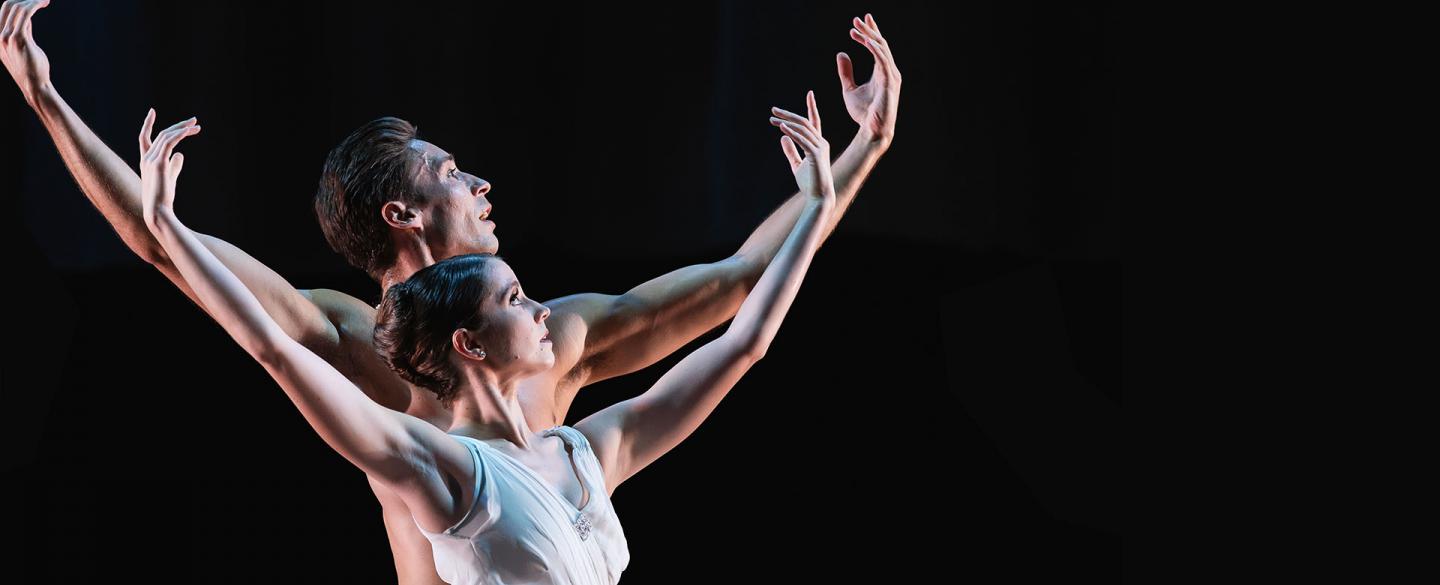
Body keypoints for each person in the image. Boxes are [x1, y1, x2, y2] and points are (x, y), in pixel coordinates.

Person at [2, 1, 902, 581]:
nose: (480, 186)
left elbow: (743, 293)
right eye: (451, 172)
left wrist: (864, 152)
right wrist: (48, 103)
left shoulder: (556, 335)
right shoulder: (353, 339)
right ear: (402, 212)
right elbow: (172, 250)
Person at [137, 88, 837, 584]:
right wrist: (168, 226)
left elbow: (745, 337)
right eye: (516, 298)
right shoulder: (439, 468)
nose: (543, 311)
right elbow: (272, 347)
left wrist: (828, 192)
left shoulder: (587, 451)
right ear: (470, 343)